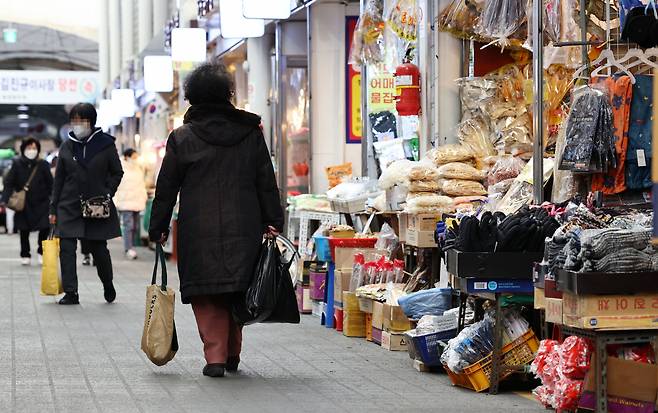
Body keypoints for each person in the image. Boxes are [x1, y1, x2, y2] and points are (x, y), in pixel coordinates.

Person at [149, 62, 283, 378]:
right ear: (227, 95)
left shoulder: (182, 137)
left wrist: (158, 227)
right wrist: (273, 219)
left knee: (208, 293)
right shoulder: (250, 134)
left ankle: (215, 356)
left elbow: (166, 187)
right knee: (237, 288)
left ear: (192, 97)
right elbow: (266, 180)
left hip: (199, 229)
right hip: (244, 226)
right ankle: (232, 352)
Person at [50, 103, 124, 305]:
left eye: (82, 120)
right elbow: (59, 180)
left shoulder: (106, 144)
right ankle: (71, 293)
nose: (77, 124)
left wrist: (108, 192)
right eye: (74, 120)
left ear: (91, 122)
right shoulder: (67, 146)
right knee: (66, 248)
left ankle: (107, 284)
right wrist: (53, 207)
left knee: (99, 249)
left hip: (96, 205)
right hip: (68, 204)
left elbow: (117, 172)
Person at [1, 138, 53, 265]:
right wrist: (4, 199)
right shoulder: (17, 164)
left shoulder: (43, 164)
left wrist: (54, 200)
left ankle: (41, 251)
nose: (32, 151)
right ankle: (25, 253)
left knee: (44, 228)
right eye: (29, 148)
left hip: (42, 203)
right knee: (23, 230)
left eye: (34, 148)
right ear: (24, 149)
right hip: (23, 204)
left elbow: (51, 184)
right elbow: (9, 183)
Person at [114, 148, 148, 259]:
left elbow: (141, 185)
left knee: (136, 226)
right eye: (133, 157)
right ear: (127, 157)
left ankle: (131, 246)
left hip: (137, 202)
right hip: (126, 202)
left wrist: (143, 197)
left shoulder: (138, 169)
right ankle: (128, 248)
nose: (135, 159)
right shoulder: (120, 167)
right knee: (129, 225)